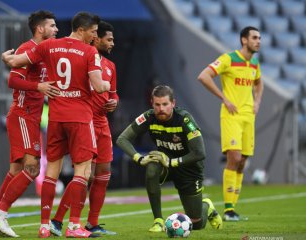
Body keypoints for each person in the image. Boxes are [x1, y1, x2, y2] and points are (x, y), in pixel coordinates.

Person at [0, 11, 111, 238]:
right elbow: (99, 87)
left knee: (50, 171)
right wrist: (109, 81)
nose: (94, 37)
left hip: (56, 117)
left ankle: (44, 225)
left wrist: (6, 58)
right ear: (81, 30)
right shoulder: (90, 52)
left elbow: (13, 62)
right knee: (83, 170)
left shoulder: (49, 47)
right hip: (79, 117)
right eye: (92, 32)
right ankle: (73, 226)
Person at [0, 10, 59, 238]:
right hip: (23, 115)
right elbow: (12, 80)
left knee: (16, 170)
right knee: (32, 169)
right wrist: (38, 87)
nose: (56, 29)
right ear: (40, 29)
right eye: (52, 25)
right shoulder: (28, 49)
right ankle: (0, 212)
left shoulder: (44, 51)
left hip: (30, 117)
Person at [116, 85, 223, 232]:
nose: (161, 109)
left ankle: (207, 207)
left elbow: (199, 153)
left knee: (196, 224)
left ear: (173, 103)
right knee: (152, 167)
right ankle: (158, 221)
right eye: (157, 105)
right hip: (165, 164)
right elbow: (122, 139)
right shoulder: (148, 117)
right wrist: (139, 158)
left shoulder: (184, 120)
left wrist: (173, 162)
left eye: (165, 104)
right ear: (152, 103)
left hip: (188, 168)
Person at [49, 20, 118, 237]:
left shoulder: (110, 66)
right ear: (95, 38)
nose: (112, 43)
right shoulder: (82, 56)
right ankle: (58, 220)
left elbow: (113, 93)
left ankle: (92, 223)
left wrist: (114, 101)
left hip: (102, 123)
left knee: (104, 171)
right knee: (84, 174)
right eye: (109, 39)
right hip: (83, 120)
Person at [197, 26, 263, 221]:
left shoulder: (254, 63)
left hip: (248, 118)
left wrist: (257, 101)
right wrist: (224, 98)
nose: (258, 41)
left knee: (242, 162)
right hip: (231, 116)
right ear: (244, 40)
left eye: (259, 38)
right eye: (254, 38)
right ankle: (227, 210)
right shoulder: (228, 59)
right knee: (233, 158)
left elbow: (259, 83)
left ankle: (232, 208)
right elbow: (204, 76)